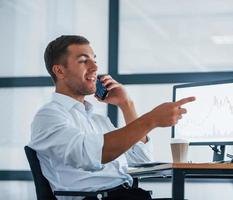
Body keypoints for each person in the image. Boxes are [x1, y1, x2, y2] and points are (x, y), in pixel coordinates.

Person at [29, 35, 195, 200]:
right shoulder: (49, 116)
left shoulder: (98, 121)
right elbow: (92, 155)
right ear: (59, 70)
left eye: (94, 60)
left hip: (127, 195)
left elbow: (141, 160)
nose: (94, 67)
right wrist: (151, 119)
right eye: (83, 61)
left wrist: (126, 104)